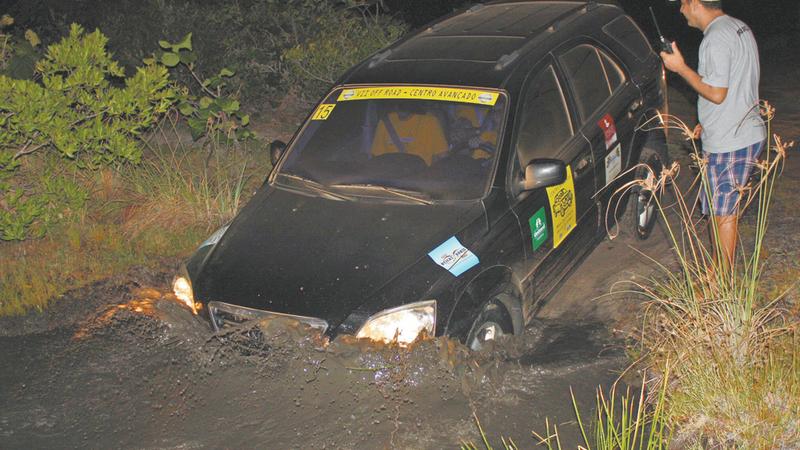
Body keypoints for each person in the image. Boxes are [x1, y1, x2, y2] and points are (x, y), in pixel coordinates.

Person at [660, 0, 766, 268]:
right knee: (719, 208)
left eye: (683, 3)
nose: (681, 10)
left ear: (696, 3)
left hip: (731, 141)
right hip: (740, 131)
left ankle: (722, 281)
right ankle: (715, 273)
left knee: (723, 213)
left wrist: (680, 68)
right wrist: (707, 121)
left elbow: (717, 93)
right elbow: (737, 82)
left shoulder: (715, 39)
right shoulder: (739, 27)